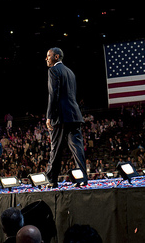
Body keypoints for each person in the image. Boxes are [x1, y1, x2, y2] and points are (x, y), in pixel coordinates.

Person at [44, 47, 88, 188]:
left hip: (60, 116)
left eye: (48, 56)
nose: (46, 58)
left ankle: (52, 180)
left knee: (55, 148)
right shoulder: (70, 72)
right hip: (74, 115)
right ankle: (82, 178)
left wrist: (49, 116)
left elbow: (53, 95)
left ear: (56, 57)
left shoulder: (53, 71)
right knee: (77, 148)